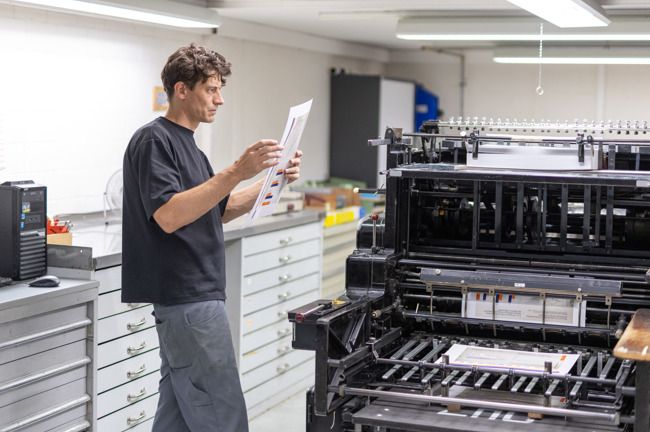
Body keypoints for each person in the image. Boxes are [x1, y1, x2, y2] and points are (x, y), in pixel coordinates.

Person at [121, 43, 302, 432]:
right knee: (223, 416)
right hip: (188, 300)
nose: (219, 99)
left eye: (220, 90)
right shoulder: (155, 140)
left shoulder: (191, 146)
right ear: (181, 89)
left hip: (195, 297)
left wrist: (275, 180)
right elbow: (169, 216)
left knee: (177, 419)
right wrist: (237, 169)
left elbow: (220, 210)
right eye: (210, 89)